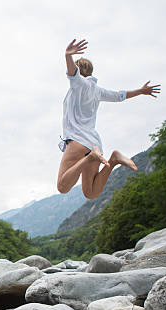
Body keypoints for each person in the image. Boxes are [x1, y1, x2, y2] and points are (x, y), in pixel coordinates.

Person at [57, 38, 160, 199]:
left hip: (77, 141)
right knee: (91, 192)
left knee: (63, 187)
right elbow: (120, 95)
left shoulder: (78, 84)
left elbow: (73, 74)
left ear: (78, 71)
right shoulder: (98, 91)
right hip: (93, 143)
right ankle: (113, 160)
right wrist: (141, 91)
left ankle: (91, 157)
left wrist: (67, 56)